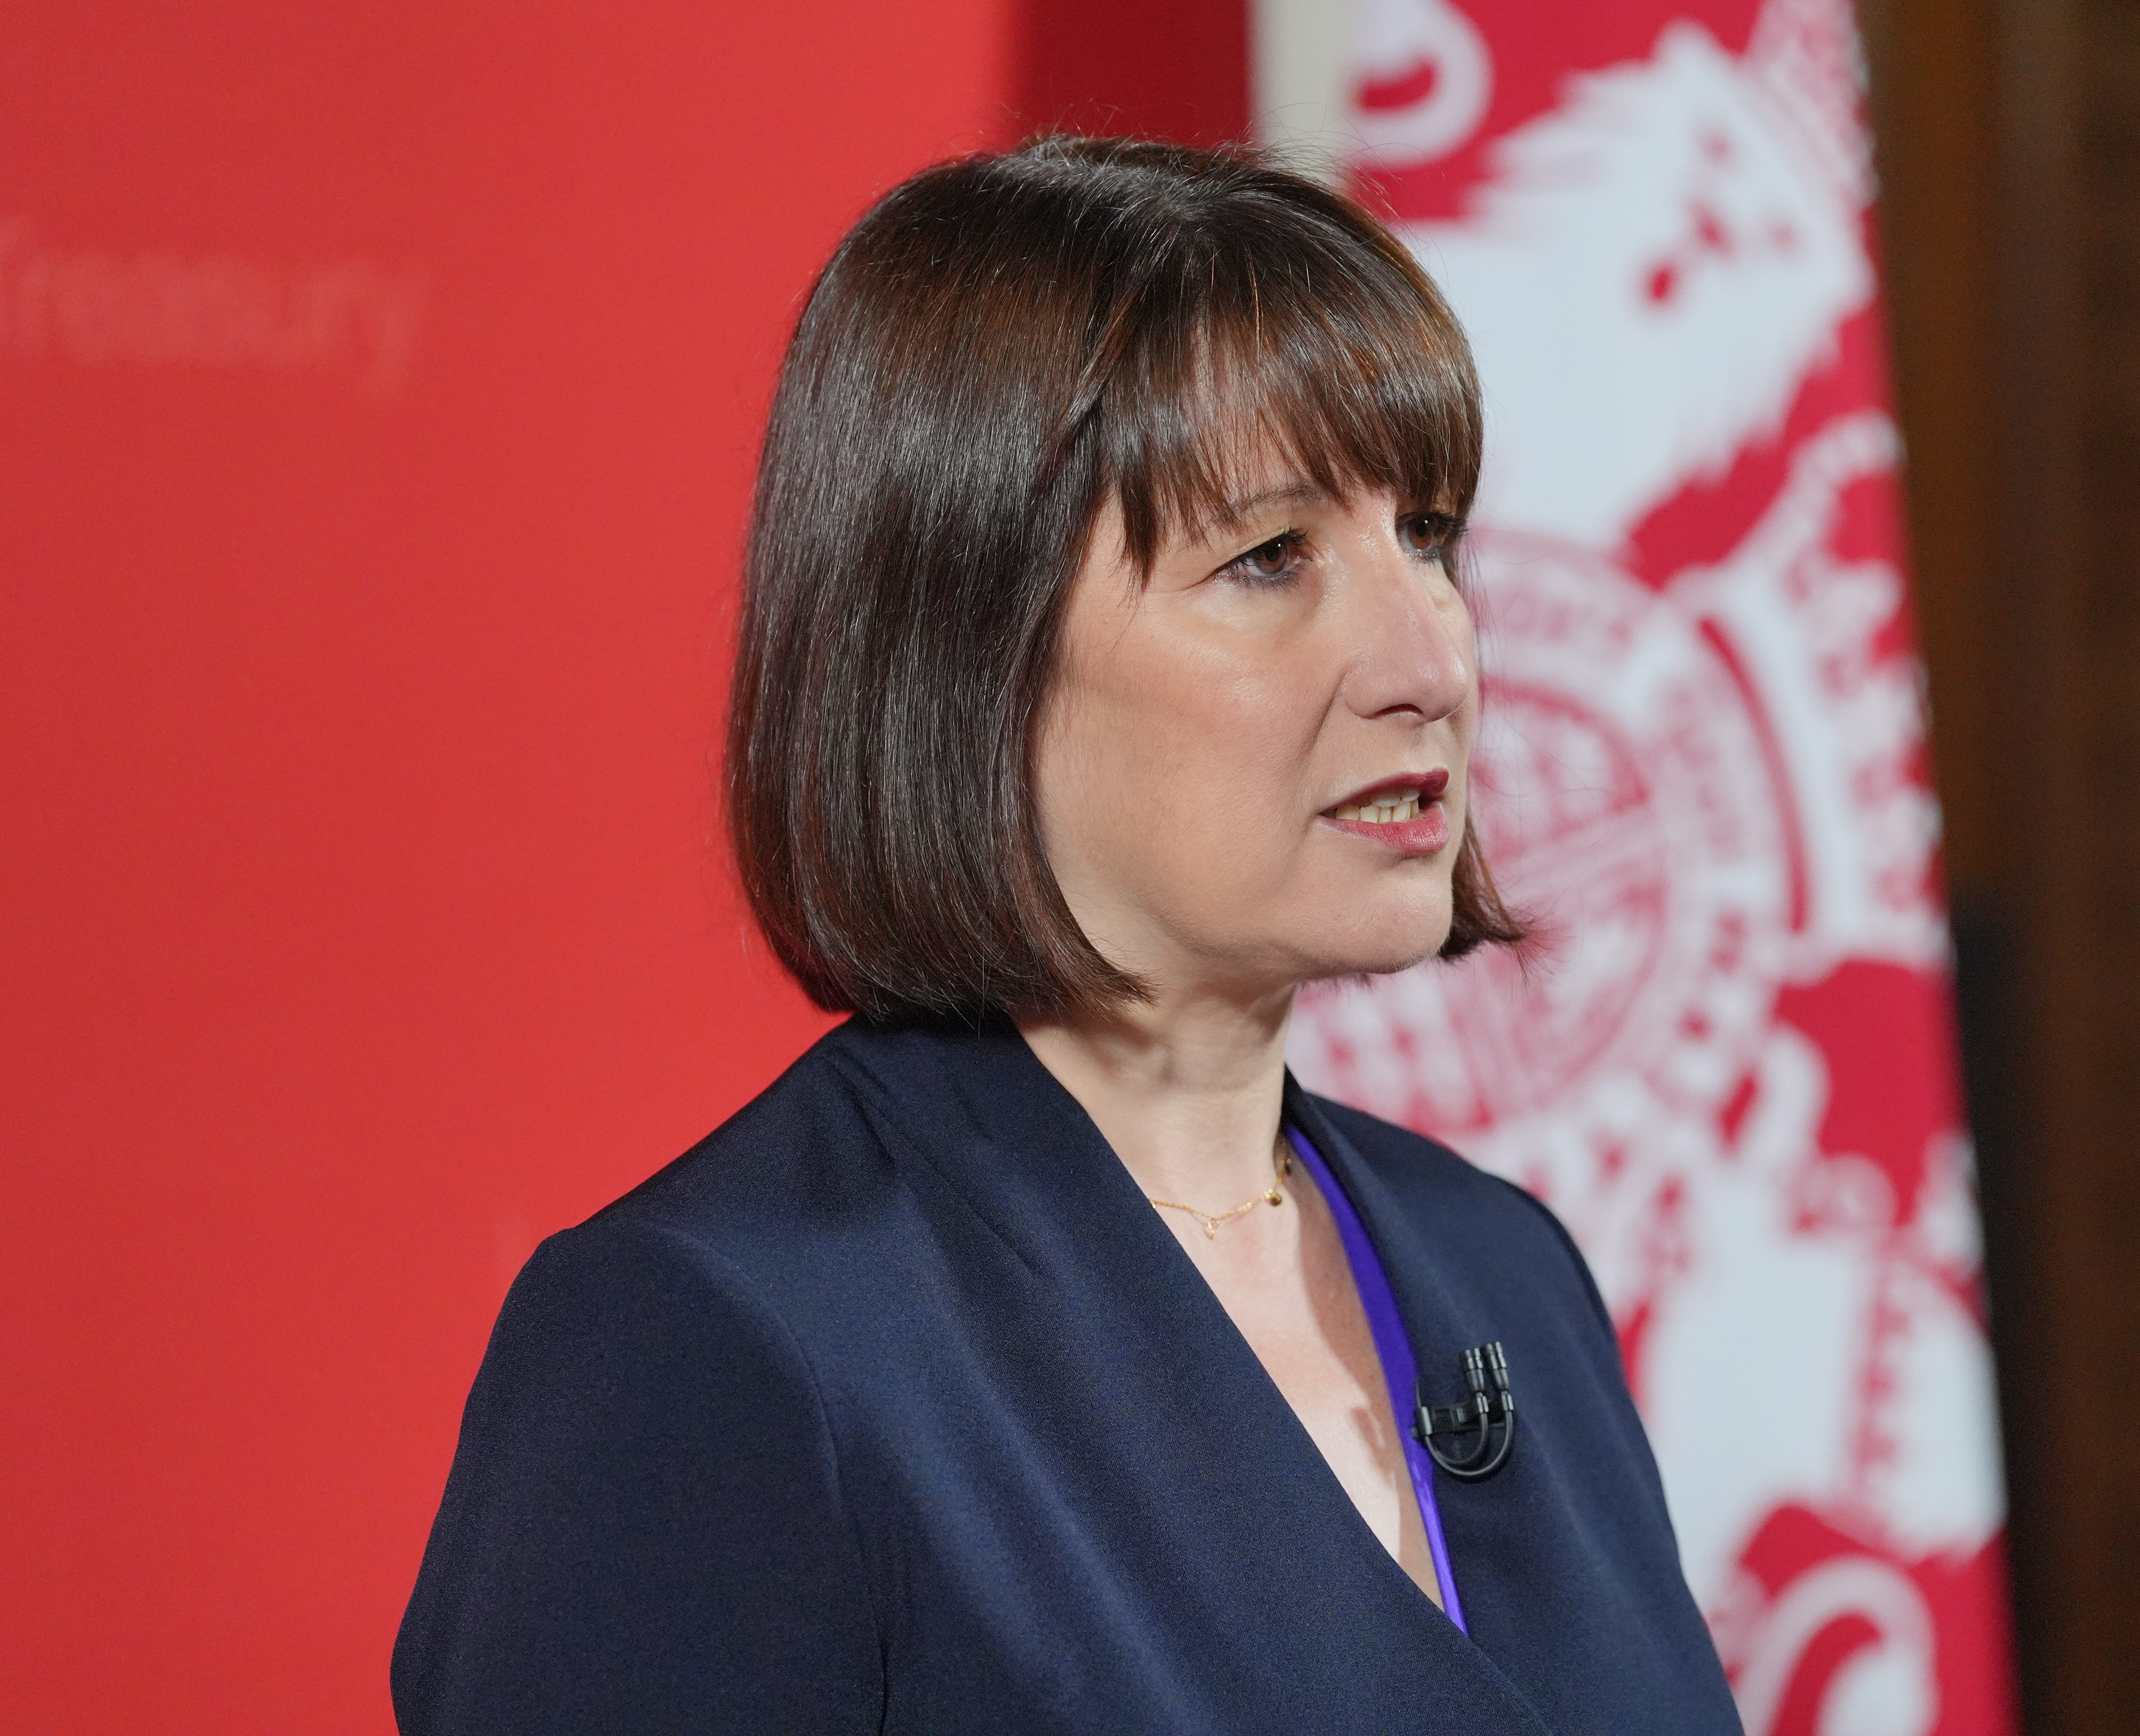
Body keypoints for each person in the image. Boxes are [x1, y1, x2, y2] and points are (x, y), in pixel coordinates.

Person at [392, 135, 1742, 1735]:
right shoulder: (715, 1345)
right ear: (973, 648)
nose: (1426, 654)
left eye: (1428, 535)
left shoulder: (1501, 1267)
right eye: (1269, 559)